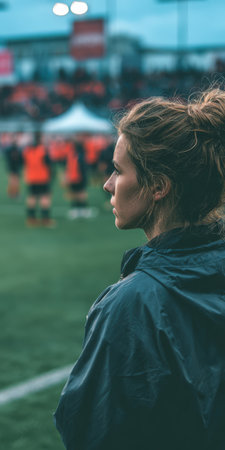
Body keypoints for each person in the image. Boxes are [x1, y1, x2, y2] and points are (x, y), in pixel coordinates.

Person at [54, 88, 225, 450]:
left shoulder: (132, 305)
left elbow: (91, 432)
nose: (108, 184)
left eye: (118, 170)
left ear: (159, 187)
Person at [22, 131, 55, 228]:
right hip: (42, 178)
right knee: (45, 198)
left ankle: (31, 218)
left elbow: (24, 163)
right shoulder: (43, 151)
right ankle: (45, 219)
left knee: (31, 197)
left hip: (31, 178)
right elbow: (49, 164)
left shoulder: (27, 150)